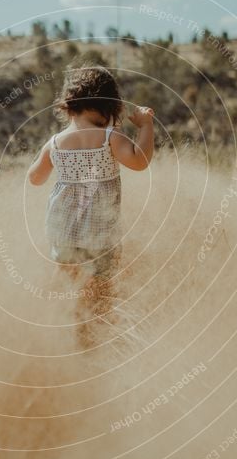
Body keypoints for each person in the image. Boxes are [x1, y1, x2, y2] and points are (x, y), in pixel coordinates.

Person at [28, 63, 154, 322]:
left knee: (66, 284)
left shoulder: (54, 143)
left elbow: (35, 178)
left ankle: (58, 326)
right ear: (110, 105)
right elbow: (140, 161)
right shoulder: (110, 137)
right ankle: (94, 333)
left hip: (63, 233)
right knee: (100, 292)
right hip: (100, 236)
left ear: (69, 104)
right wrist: (145, 126)